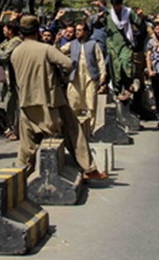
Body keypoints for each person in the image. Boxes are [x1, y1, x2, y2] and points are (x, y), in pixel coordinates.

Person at [10, 15, 108, 180]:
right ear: (37, 31)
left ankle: (18, 178)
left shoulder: (16, 52)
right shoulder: (46, 49)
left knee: (27, 147)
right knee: (73, 130)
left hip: (26, 102)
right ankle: (89, 169)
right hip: (50, 102)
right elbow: (68, 64)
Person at [63, 21, 107, 144]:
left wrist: (103, 75)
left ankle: (90, 130)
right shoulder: (71, 44)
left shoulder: (93, 44)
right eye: (76, 30)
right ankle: (75, 132)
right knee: (73, 103)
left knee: (91, 104)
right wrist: (57, 41)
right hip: (75, 77)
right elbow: (58, 52)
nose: (77, 32)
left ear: (86, 32)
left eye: (80, 30)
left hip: (90, 78)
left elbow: (100, 60)